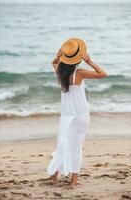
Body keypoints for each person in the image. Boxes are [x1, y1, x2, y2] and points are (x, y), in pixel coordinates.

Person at [47, 38, 107, 187]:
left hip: (66, 116)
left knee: (63, 145)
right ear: (77, 58)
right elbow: (102, 74)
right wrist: (90, 62)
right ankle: (73, 180)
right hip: (80, 115)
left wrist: (58, 55)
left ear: (64, 58)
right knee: (76, 147)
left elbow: (53, 63)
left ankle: (55, 174)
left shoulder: (60, 72)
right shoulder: (79, 73)